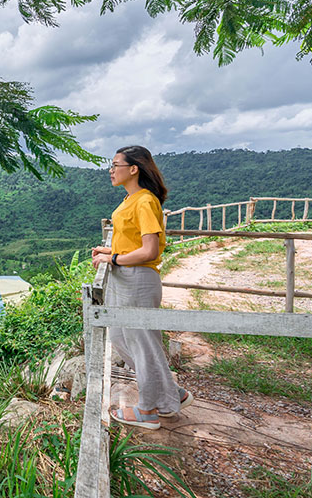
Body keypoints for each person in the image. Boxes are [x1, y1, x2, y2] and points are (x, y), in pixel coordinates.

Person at [91, 146, 193, 430]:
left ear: (133, 168)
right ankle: (172, 393)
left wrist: (113, 258)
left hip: (138, 279)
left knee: (141, 343)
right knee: (124, 339)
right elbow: (134, 243)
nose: (111, 170)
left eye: (115, 165)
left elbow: (148, 250)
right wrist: (110, 251)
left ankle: (149, 409)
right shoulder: (131, 199)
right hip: (128, 277)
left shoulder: (145, 201)